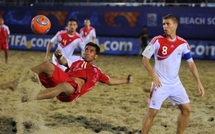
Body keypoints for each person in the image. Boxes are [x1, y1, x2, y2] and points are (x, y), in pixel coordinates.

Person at [0, 42, 132, 102]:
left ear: (96, 56)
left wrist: (126, 80)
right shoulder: (77, 62)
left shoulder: (97, 71)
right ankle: (15, 83)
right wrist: (58, 57)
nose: (87, 52)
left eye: (91, 51)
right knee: (46, 65)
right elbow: (66, 65)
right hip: (64, 81)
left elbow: (109, 81)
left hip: (72, 92)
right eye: (86, 49)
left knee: (64, 85)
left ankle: (32, 97)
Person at [141, 14, 204, 134]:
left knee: (186, 110)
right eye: (163, 24)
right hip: (160, 83)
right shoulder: (157, 40)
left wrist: (198, 82)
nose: (165, 26)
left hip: (176, 84)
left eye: (168, 24)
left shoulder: (183, 43)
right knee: (152, 112)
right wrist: (154, 76)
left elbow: (191, 63)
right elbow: (145, 59)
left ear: (175, 25)